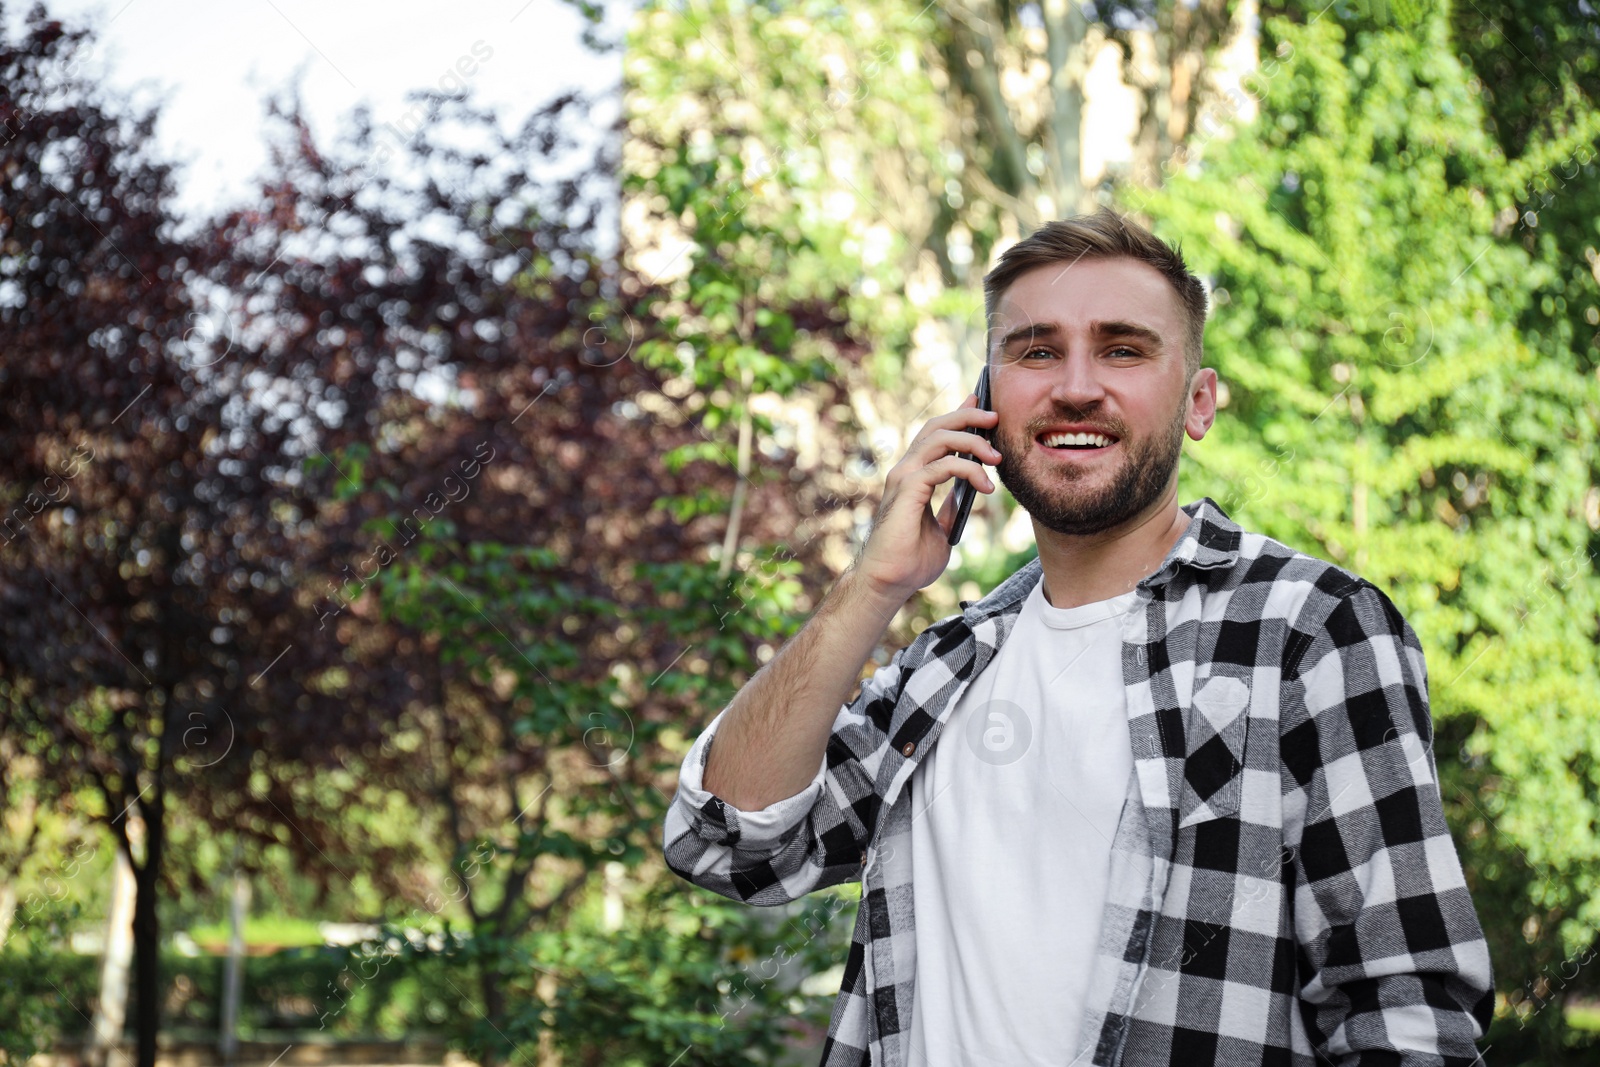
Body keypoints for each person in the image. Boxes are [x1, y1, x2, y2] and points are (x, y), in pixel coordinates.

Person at [662, 208, 1493, 1066]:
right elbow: (727, 842)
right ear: (984, 402)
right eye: (1035, 351)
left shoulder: (1313, 631)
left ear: (1197, 401)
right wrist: (873, 584)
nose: (1076, 387)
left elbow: (1404, 1010)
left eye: (1124, 349)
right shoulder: (943, 667)